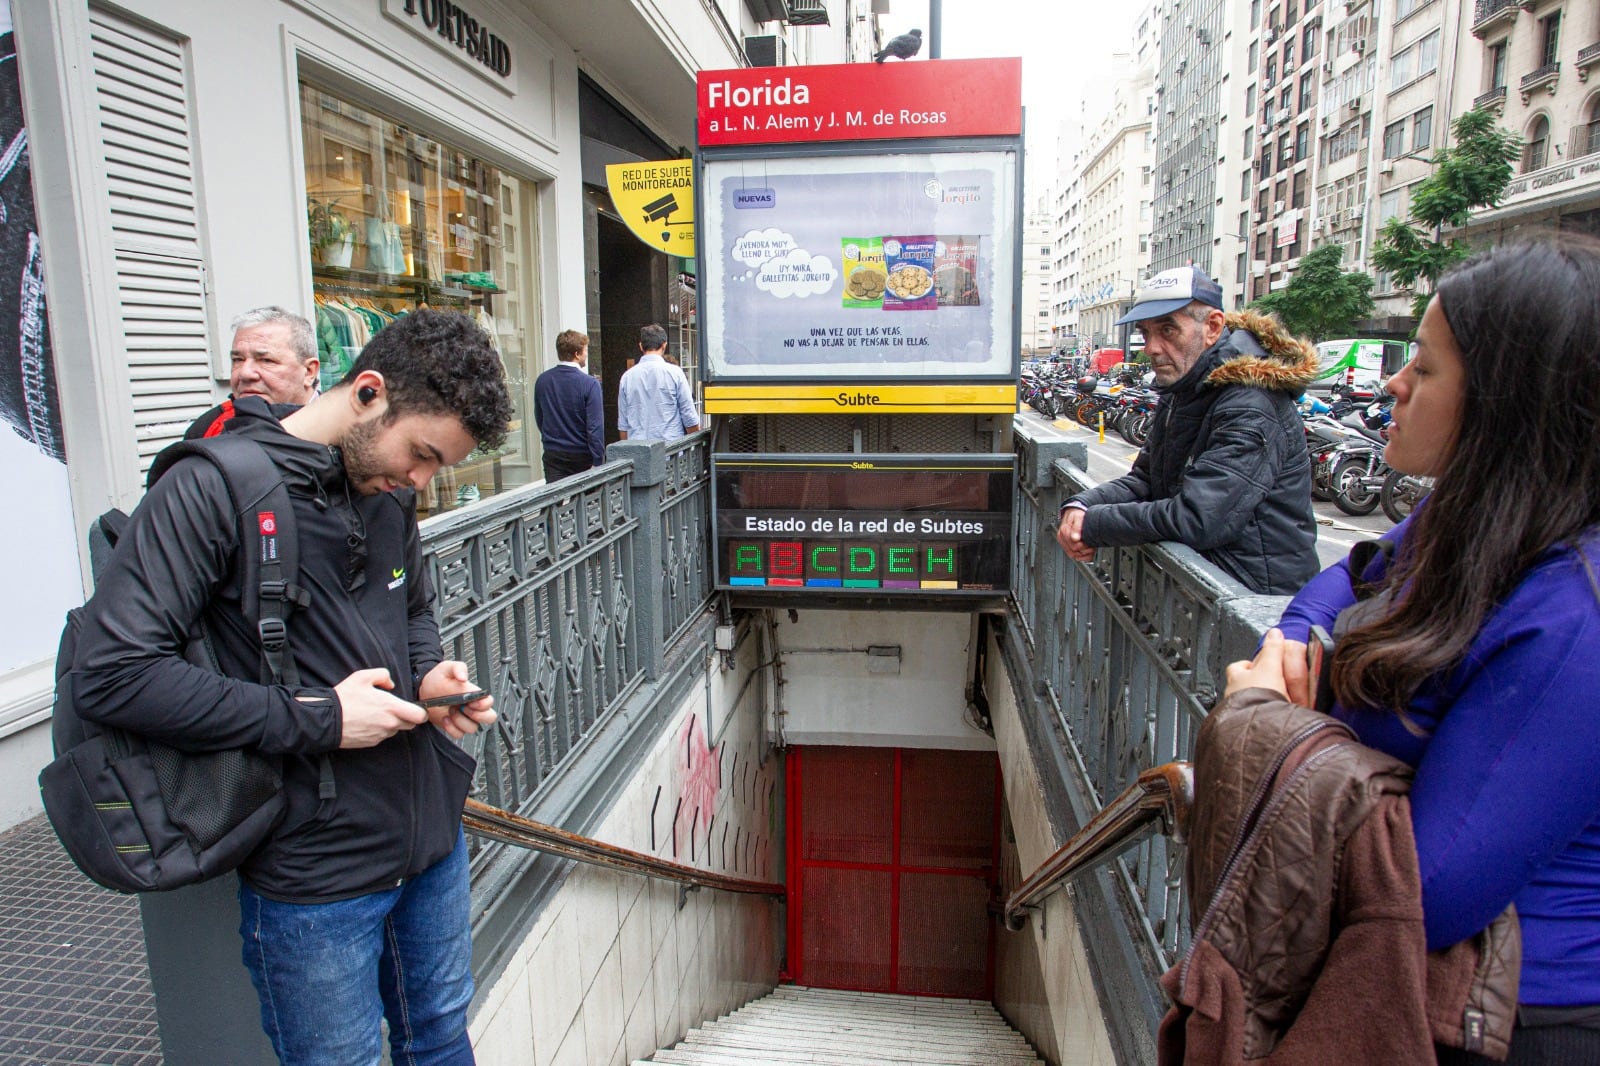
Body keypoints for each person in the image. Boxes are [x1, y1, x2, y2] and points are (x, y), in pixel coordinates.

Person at [72, 309, 515, 1065]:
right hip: (314, 873)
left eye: (436, 467)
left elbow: (412, 607)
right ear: (368, 392)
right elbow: (114, 675)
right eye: (421, 454)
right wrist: (322, 718)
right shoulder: (212, 488)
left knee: (442, 1036)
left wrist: (428, 674)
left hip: (430, 841)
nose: (419, 480)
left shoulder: (388, 494)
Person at [1224, 234, 1600, 1063]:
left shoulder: (1577, 617)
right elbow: (1347, 577)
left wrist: (1268, 722)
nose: (1392, 384)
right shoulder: (1468, 518)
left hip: (1503, 1022)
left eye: (1423, 369)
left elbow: (1429, 891)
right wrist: (1293, 643)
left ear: (1506, 402)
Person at [1056, 266, 1320, 595]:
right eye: (1146, 333)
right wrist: (1082, 505)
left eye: (1168, 330)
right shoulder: (1184, 388)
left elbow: (1201, 517)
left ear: (1213, 327)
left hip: (1256, 603)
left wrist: (1094, 524)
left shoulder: (1251, 403)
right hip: (1208, 594)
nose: (1151, 348)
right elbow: (1146, 480)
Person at [186, 306, 320, 439]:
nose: (245, 373)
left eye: (266, 360)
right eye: (238, 359)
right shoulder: (209, 426)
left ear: (309, 372)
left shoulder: (331, 432)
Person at [532, 328, 604, 481]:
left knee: (555, 495)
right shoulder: (590, 384)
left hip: (553, 453)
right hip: (582, 455)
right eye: (586, 350)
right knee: (585, 495)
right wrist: (598, 460)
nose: (587, 354)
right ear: (577, 354)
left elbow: (540, 418)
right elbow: (595, 427)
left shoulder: (543, 380)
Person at [616, 323, 699, 441]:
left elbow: (623, 424)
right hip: (670, 447)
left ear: (641, 346)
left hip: (636, 447)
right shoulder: (675, 373)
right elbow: (689, 416)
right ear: (664, 345)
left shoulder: (627, 377)